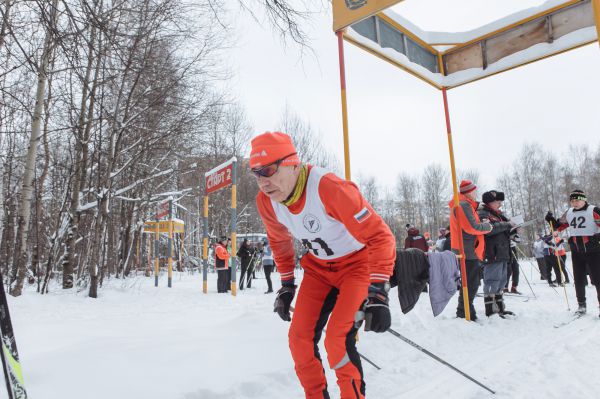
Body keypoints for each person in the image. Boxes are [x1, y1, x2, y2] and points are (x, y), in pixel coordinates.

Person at [250, 131, 396, 399]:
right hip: (319, 270)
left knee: (337, 340)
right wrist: (285, 286)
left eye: (268, 170)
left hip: (356, 266)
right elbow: (280, 243)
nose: (262, 181)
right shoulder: (267, 203)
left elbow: (380, 236)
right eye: (256, 173)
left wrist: (378, 291)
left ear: (292, 163)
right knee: (299, 340)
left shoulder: (329, 188)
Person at [545, 189, 600, 316]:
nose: (575, 203)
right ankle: (581, 305)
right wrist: (551, 220)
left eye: (577, 200)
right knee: (579, 278)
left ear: (584, 199)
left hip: (593, 250)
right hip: (577, 250)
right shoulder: (569, 212)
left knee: (597, 279)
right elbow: (559, 225)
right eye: (572, 201)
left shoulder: (593, 210)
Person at [449, 180, 492, 321]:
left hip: (469, 249)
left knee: (472, 283)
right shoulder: (463, 205)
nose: (475, 192)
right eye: (474, 190)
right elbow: (471, 227)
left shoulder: (466, 205)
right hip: (467, 250)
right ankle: (464, 312)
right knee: (470, 284)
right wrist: (487, 227)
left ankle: (466, 311)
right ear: (468, 191)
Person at [478, 190, 516, 318]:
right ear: (490, 202)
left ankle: (500, 308)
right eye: (497, 202)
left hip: (502, 252)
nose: (500, 204)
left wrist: (513, 230)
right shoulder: (483, 213)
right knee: (492, 281)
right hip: (491, 253)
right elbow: (489, 230)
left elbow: (503, 231)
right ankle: (491, 309)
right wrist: (507, 225)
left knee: (502, 281)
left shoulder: (499, 215)